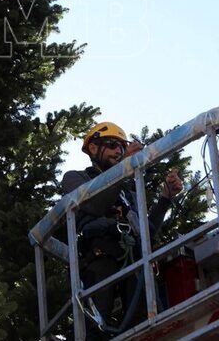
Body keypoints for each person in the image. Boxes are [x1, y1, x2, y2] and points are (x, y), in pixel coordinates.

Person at [61, 121, 183, 338]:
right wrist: (125, 167)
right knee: (96, 329)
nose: (118, 151)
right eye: (112, 145)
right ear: (92, 148)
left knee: (144, 324)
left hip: (132, 260)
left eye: (121, 146)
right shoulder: (75, 178)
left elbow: (146, 232)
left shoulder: (126, 193)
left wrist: (165, 198)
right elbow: (93, 205)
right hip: (100, 260)